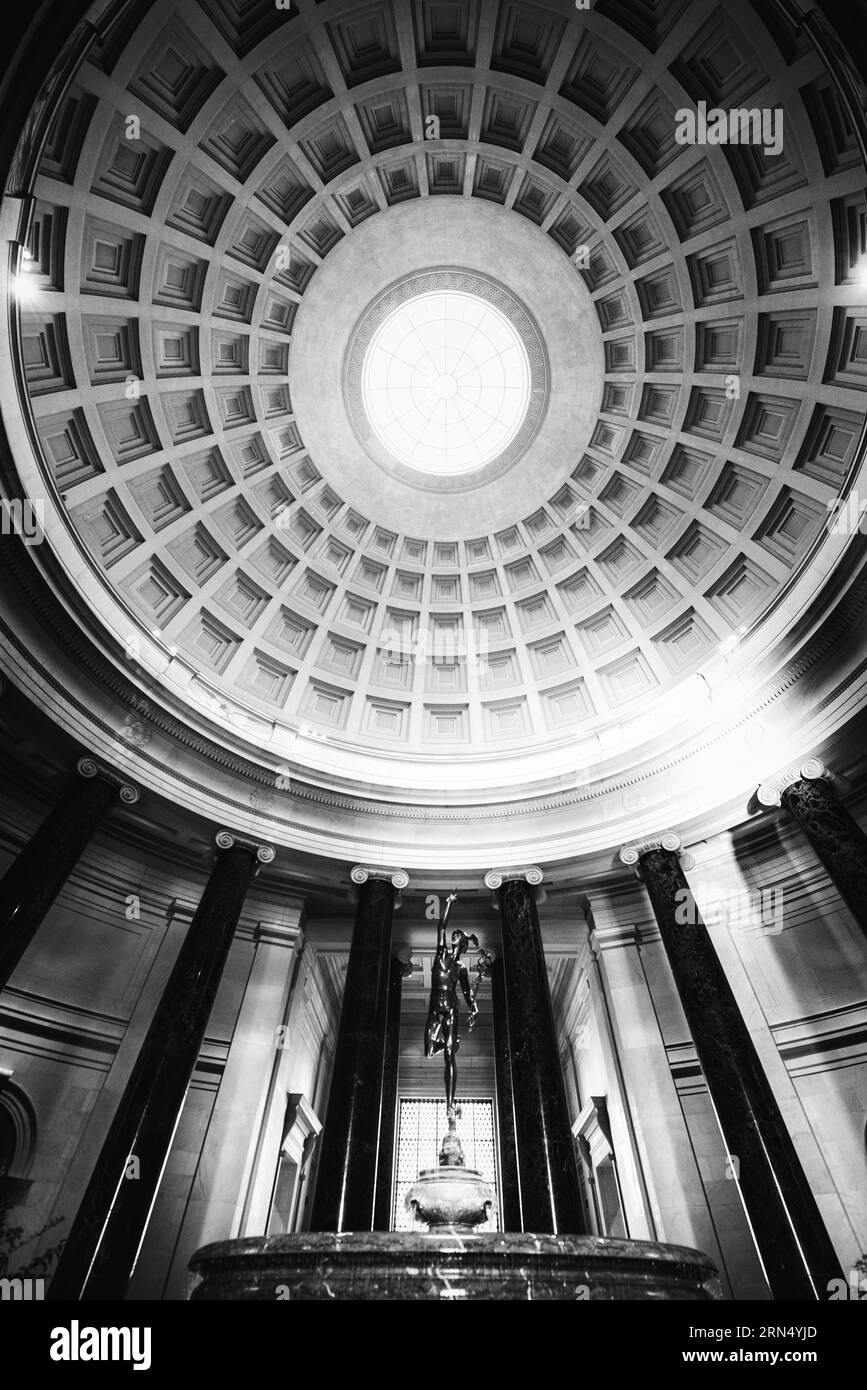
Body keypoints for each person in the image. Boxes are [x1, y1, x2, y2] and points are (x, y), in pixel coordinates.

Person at [424, 890, 479, 1116]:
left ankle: (449, 1103)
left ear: (462, 944)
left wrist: (474, 1008)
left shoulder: (462, 968)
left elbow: (466, 992)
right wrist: (447, 904)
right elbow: (441, 927)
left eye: (458, 936)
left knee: (449, 1056)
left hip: (452, 1009)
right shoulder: (440, 953)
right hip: (435, 1007)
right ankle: (448, 1043)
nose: (454, 935)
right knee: (429, 1051)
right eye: (454, 934)